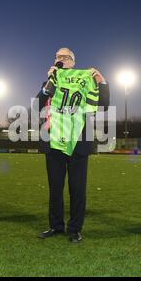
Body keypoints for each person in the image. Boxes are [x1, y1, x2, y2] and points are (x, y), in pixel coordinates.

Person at [37, 47, 110, 243]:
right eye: (58, 57)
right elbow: (37, 106)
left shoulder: (86, 80)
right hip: (54, 140)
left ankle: (75, 229)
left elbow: (103, 105)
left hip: (79, 140)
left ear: (73, 62)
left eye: (65, 57)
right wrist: (48, 85)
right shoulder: (50, 82)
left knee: (77, 188)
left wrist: (101, 81)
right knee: (55, 188)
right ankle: (55, 225)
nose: (61, 59)